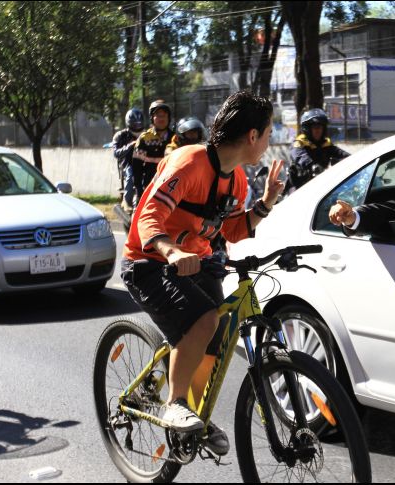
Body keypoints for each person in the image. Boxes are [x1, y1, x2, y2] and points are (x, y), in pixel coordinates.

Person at [120, 91, 284, 455]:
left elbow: (231, 231)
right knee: (205, 320)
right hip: (148, 263)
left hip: (195, 262)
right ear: (253, 136)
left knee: (218, 331)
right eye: (269, 133)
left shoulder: (237, 180)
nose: (270, 141)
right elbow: (147, 216)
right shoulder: (188, 163)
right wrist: (172, 251)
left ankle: (192, 419)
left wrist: (265, 203)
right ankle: (176, 403)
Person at [288, 108, 350, 190]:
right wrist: (314, 166)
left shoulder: (326, 144)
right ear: (307, 129)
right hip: (301, 189)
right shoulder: (299, 144)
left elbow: (340, 153)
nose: (318, 131)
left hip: (322, 186)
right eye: (315, 127)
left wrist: (354, 158)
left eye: (320, 127)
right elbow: (301, 157)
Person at [132, 100, 173, 203]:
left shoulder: (176, 138)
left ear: (169, 118)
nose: (161, 119)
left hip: (171, 185)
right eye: (158, 115)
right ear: (152, 118)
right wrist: (138, 189)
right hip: (150, 183)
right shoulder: (144, 138)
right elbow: (136, 167)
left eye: (164, 115)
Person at [113, 108, 144, 213]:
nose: (137, 126)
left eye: (139, 123)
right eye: (135, 124)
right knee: (131, 173)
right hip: (127, 164)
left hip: (145, 163)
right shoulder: (120, 135)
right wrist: (129, 146)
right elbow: (116, 153)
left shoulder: (147, 134)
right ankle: (127, 201)